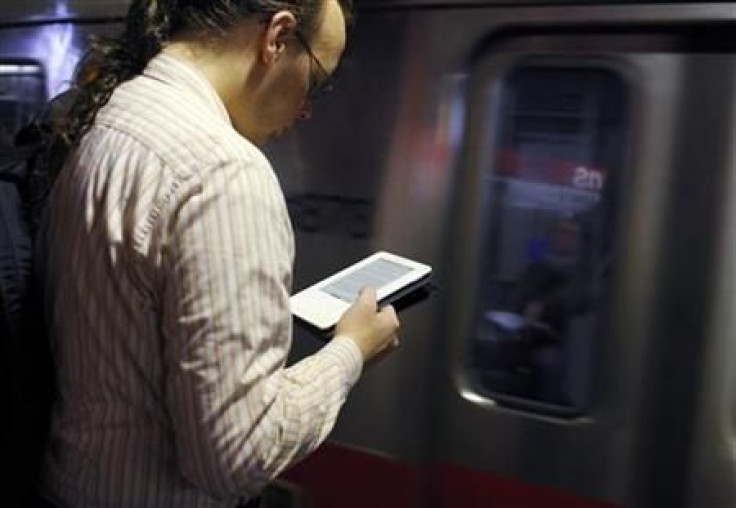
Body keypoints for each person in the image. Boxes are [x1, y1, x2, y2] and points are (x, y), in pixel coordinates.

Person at [36, 0, 400, 506]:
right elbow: (235, 458)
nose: (305, 110)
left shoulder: (109, 120)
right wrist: (350, 352)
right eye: (315, 81)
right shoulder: (224, 174)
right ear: (277, 37)